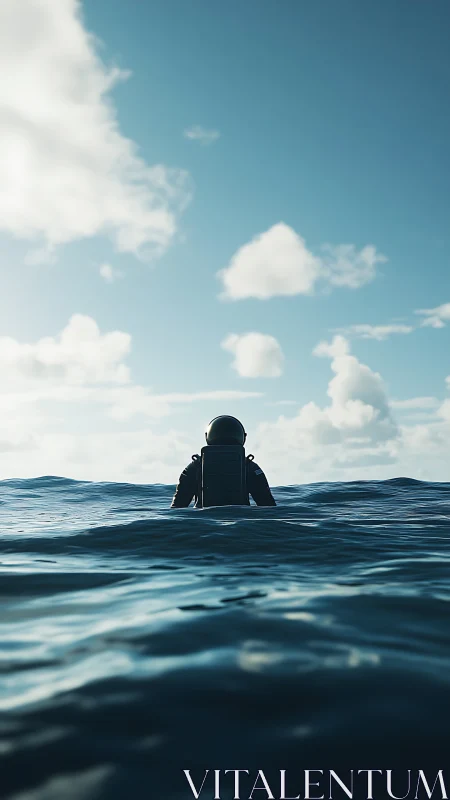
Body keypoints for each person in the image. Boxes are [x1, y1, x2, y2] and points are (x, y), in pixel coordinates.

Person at [171, 415, 276, 508]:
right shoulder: (251, 468)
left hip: (203, 525)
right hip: (240, 524)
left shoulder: (195, 467)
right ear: (243, 437)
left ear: (207, 436)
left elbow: (177, 508)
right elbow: (268, 507)